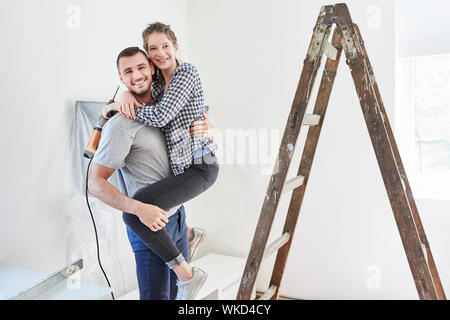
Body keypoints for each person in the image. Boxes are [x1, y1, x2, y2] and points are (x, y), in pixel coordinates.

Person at [103, 22, 219, 300]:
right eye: (153, 48)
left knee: (135, 213)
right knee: (142, 209)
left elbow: (161, 117)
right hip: (184, 170)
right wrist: (124, 96)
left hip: (201, 165)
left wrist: (123, 107)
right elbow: (135, 86)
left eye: (165, 46)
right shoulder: (155, 85)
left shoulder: (185, 72)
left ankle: (188, 276)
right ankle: (189, 237)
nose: (160, 52)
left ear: (176, 47)